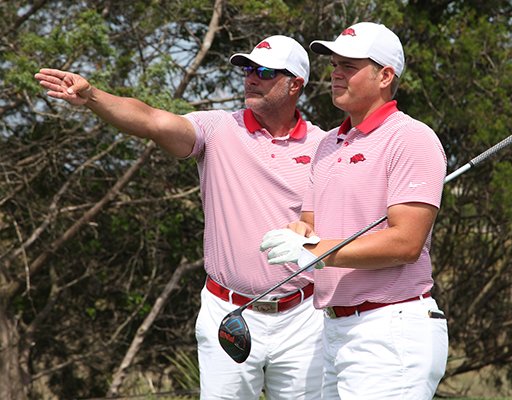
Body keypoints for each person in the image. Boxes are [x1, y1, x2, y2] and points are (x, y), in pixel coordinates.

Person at [35, 35, 327, 400]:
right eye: (247, 69)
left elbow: (327, 224)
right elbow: (152, 121)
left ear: (295, 84)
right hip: (229, 312)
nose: (251, 77)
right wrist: (93, 96)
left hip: (303, 317)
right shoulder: (219, 128)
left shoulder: (324, 145)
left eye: (264, 71)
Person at [260, 22, 449, 399]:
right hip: (333, 331)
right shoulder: (329, 144)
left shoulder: (411, 137)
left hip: (389, 329)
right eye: (334, 65)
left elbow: (406, 242)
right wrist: (300, 234)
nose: (335, 73)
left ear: (385, 75)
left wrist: (314, 252)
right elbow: (313, 226)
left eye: (349, 65)